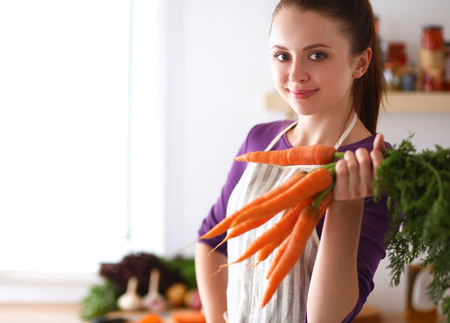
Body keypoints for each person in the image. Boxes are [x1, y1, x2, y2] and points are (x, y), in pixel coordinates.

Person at [195, 0, 392, 322]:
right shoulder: (258, 141)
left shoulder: (376, 168)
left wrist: (347, 206)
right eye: (282, 55)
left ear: (360, 62)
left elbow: (327, 317)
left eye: (317, 55)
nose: (295, 74)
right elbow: (211, 241)